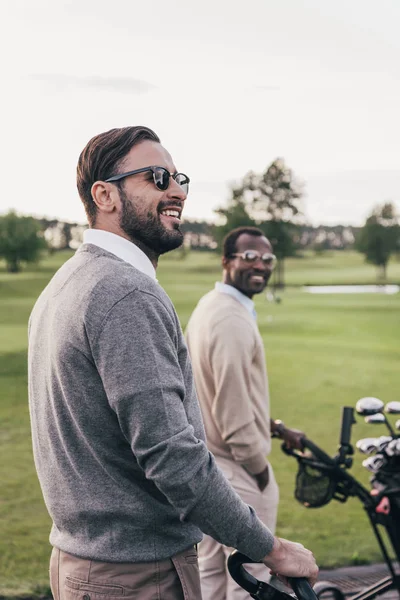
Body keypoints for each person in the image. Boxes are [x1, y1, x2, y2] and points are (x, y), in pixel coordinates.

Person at [28, 128, 318, 600]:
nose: (177, 190)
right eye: (157, 177)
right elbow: (173, 457)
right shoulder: (126, 293)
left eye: (179, 177)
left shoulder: (71, 280)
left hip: (86, 563)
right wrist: (272, 548)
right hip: (136, 576)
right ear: (105, 194)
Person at [185, 226, 307, 599]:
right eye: (249, 257)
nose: (261, 265)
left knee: (210, 573)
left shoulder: (213, 305)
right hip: (236, 471)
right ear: (227, 262)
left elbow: (218, 388)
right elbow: (232, 409)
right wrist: (259, 471)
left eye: (267, 259)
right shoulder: (231, 320)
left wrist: (273, 426)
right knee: (251, 579)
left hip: (207, 469)